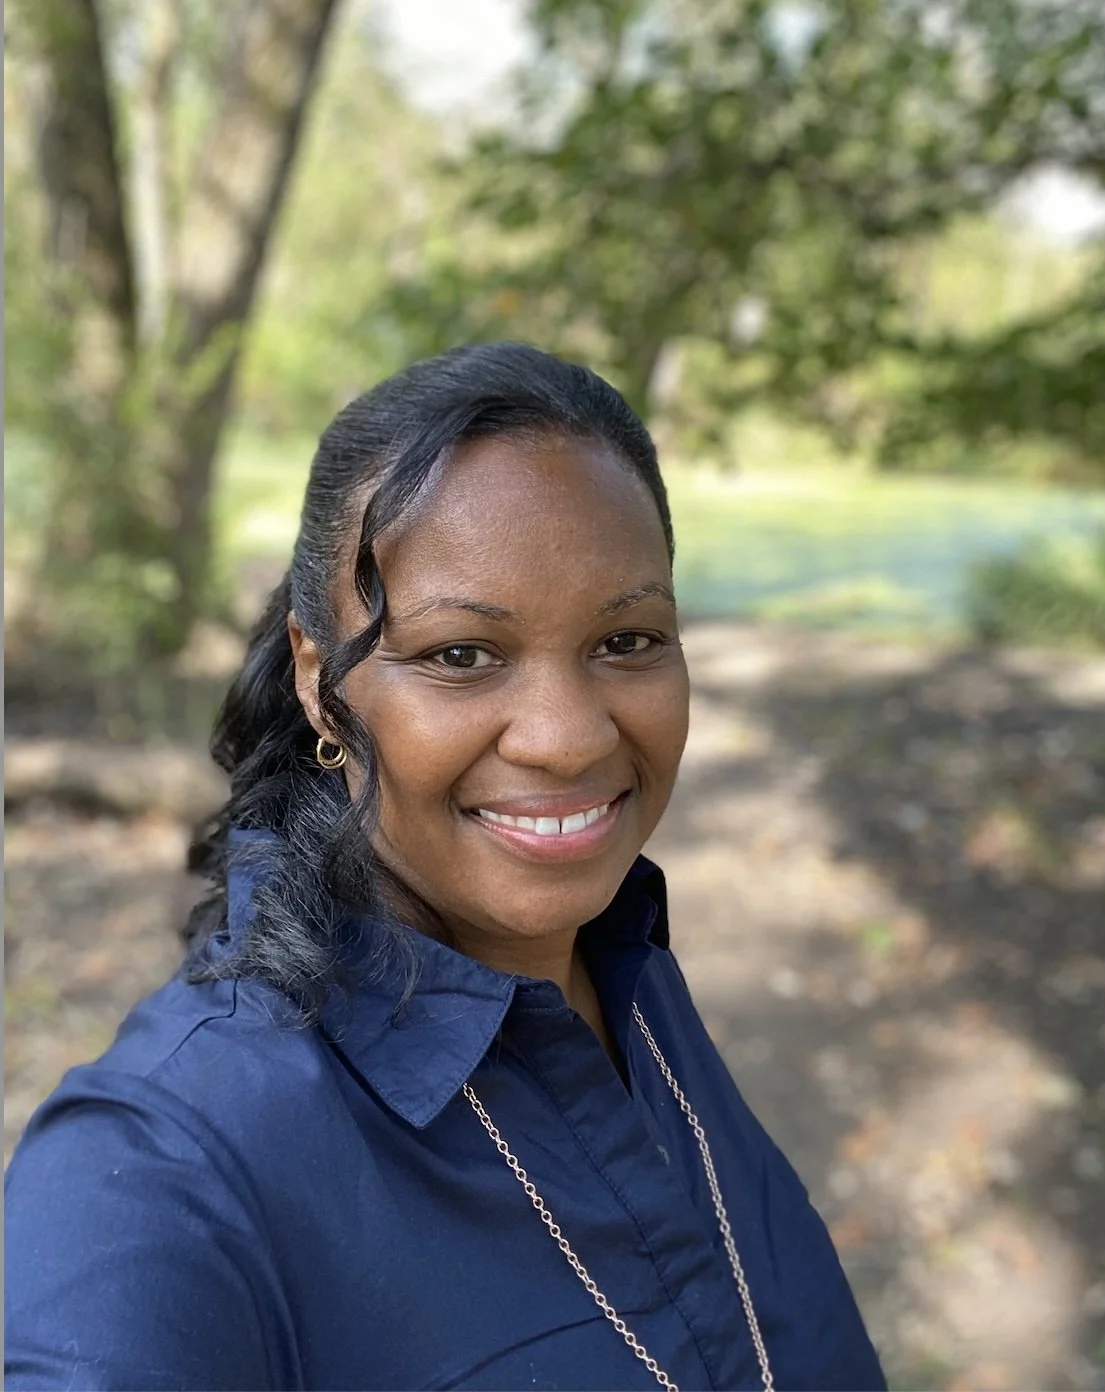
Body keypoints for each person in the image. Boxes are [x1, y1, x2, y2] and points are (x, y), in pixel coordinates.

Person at [5, 343, 885, 1392]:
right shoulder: (167, 1173)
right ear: (319, 682)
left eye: (629, 640)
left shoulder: (620, 967)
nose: (565, 738)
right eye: (460, 655)